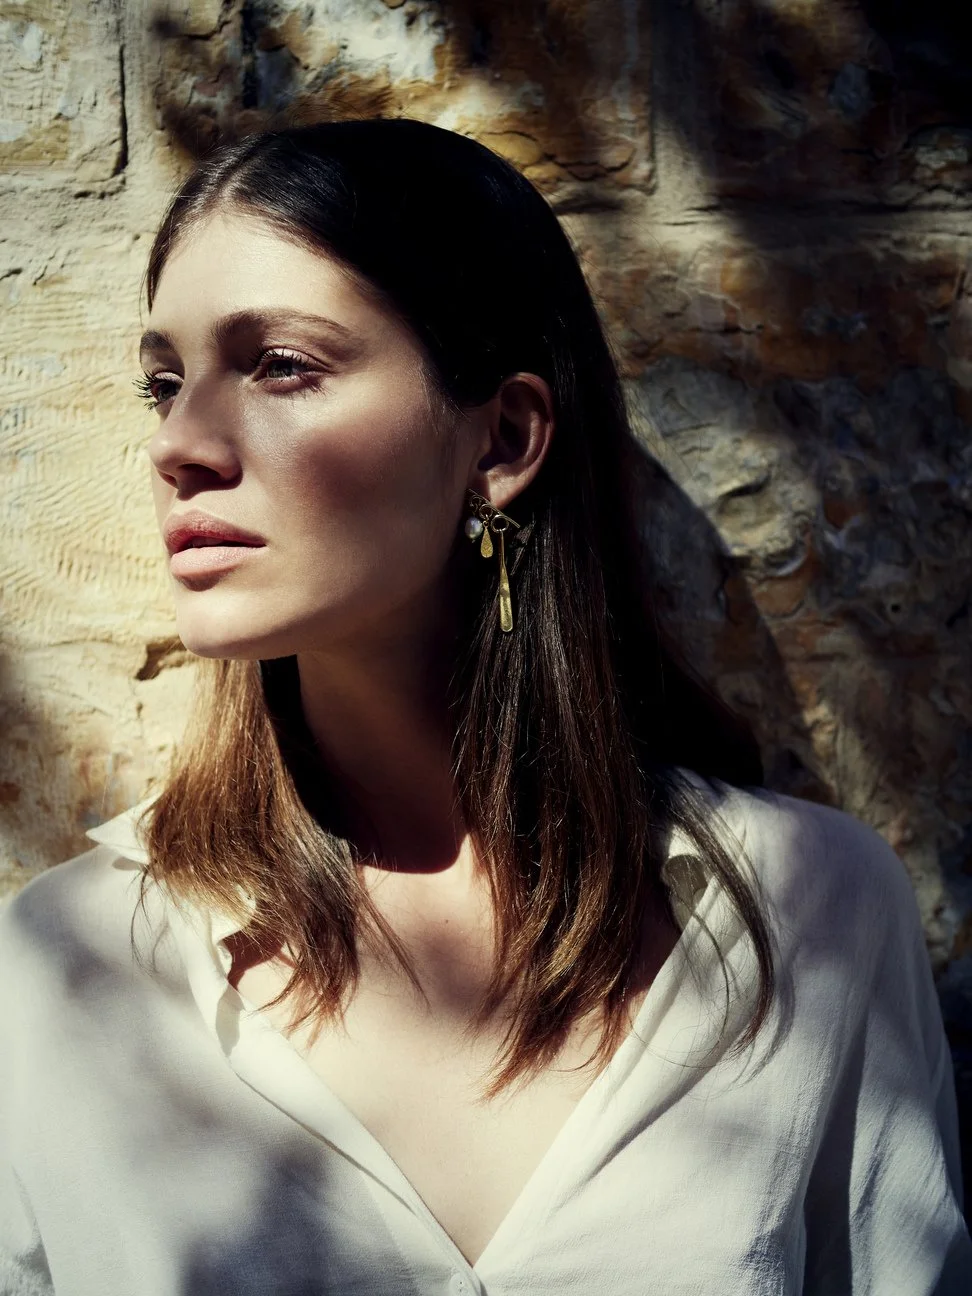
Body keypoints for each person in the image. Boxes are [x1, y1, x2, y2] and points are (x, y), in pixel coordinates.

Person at [0, 117, 968, 1296]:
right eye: (164, 383)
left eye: (281, 365)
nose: (180, 443)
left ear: (502, 440)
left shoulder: (812, 918)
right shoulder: (61, 972)